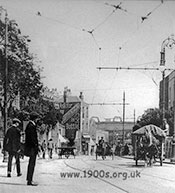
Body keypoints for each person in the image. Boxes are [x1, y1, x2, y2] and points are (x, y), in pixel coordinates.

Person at [24, 112, 40, 186]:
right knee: (32, 164)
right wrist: (36, 145)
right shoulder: (31, 126)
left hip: (31, 147)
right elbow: (32, 138)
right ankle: (30, 180)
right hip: (32, 148)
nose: (37, 120)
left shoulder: (29, 125)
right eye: (37, 118)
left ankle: (29, 179)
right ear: (35, 118)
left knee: (31, 164)